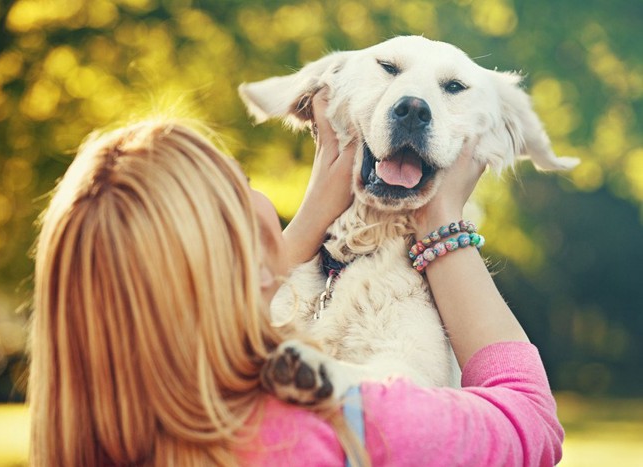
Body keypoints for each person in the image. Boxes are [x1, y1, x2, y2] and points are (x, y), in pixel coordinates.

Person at [29, 91, 564, 466]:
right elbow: (530, 420)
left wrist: (305, 225)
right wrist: (441, 223)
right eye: (242, 185)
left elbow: (193, 324)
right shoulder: (349, 423)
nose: (262, 200)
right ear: (246, 258)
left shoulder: (95, 440)